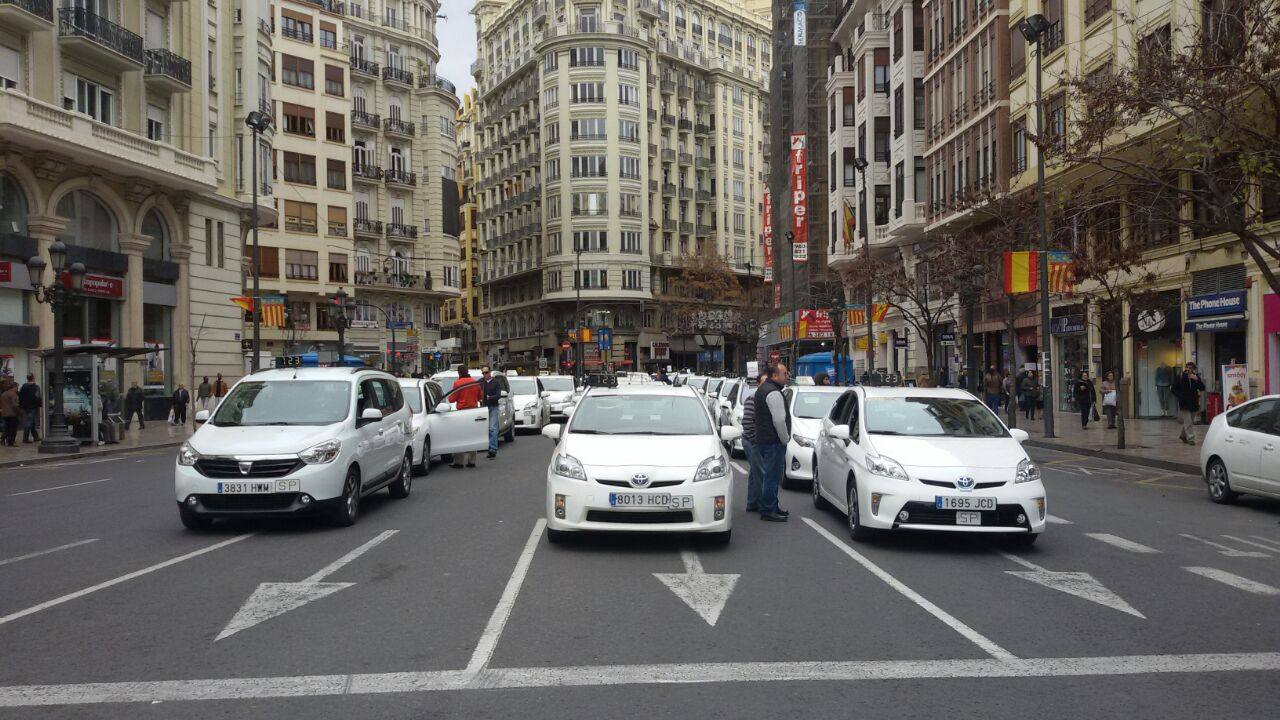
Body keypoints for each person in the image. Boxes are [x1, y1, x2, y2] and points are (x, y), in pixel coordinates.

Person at [752, 362, 792, 522]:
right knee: (772, 477)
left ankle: (772, 506)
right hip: (773, 441)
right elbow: (779, 420)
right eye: (784, 373)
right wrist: (785, 439)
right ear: (775, 375)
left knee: (769, 475)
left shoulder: (762, 389)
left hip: (764, 439)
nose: (786, 376)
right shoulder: (774, 393)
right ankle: (769, 509)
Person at [741, 372, 766, 512]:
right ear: (758, 384)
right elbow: (747, 423)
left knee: (755, 472)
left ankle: (752, 502)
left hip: (756, 441)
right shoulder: (753, 399)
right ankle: (764, 505)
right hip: (752, 441)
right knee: (761, 472)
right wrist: (756, 441)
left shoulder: (764, 398)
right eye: (763, 382)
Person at [450, 367, 482, 468]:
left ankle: (459, 461)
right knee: (472, 436)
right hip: (473, 412)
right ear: (467, 372)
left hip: (461, 413)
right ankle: (472, 461)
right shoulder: (475, 383)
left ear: (459, 373)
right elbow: (480, 397)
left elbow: (451, 399)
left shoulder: (457, 383)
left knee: (460, 436)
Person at [1172, 362, 1206, 445]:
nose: (1189, 369)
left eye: (1191, 368)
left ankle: (1183, 435)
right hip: (1184, 402)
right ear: (1185, 368)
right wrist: (1180, 396)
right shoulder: (1180, 377)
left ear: (1194, 369)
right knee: (1188, 421)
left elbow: (1202, 388)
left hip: (1194, 402)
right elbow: (1173, 389)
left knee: (1190, 421)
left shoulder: (1195, 376)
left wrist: (1196, 379)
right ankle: (1191, 438)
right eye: (1188, 367)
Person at [479, 365, 503, 458]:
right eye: (483, 373)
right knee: (483, 429)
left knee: (492, 428)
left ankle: (492, 449)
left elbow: (498, 395)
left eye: (486, 372)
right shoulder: (480, 382)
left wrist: (490, 398)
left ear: (490, 372)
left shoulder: (496, 382)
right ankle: (483, 446)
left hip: (493, 407)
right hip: (483, 408)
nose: (485, 374)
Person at [19, 373, 41, 443]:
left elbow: (20, 397)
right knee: (29, 422)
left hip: (26, 407)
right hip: (33, 406)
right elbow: (38, 397)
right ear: (33, 378)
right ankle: (25, 438)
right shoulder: (35, 387)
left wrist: (21, 406)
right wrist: (39, 404)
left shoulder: (23, 387)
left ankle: (35, 437)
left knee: (32, 422)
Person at [0, 377, 19, 447]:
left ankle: (3, 439)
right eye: (17, 387)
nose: (17, 389)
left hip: (4, 414)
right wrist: (19, 412)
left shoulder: (3, 394)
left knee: (7, 428)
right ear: (14, 387)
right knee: (13, 429)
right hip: (12, 414)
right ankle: (11, 442)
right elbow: (15, 405)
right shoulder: (14, 394)